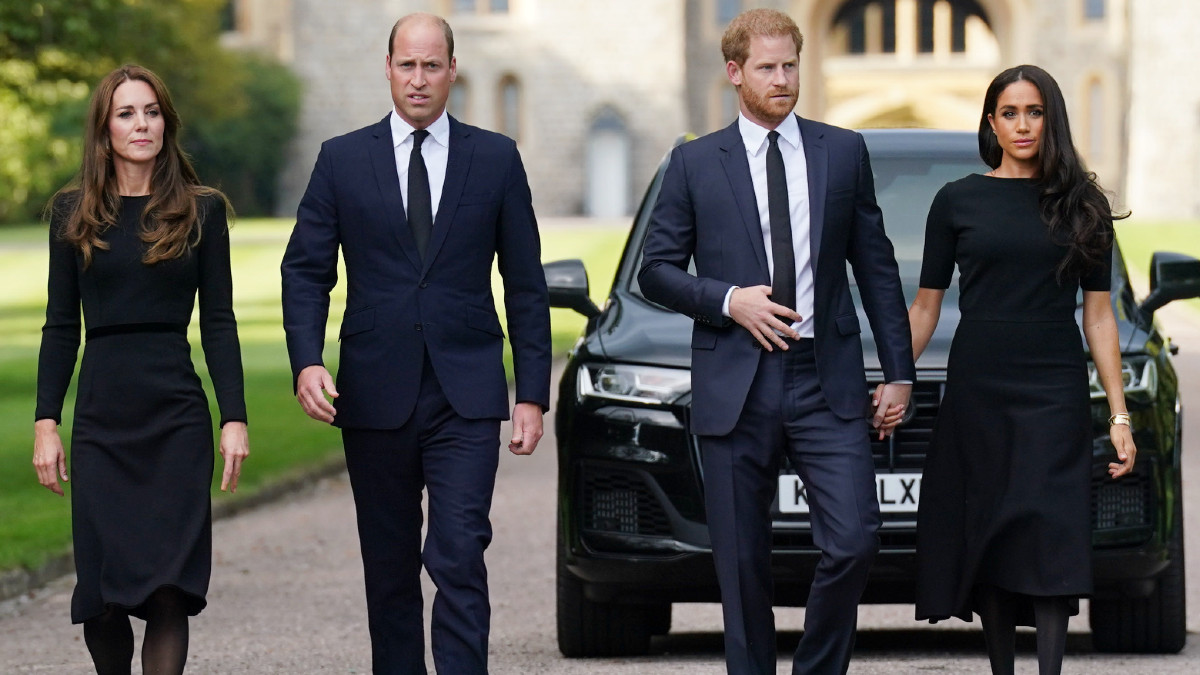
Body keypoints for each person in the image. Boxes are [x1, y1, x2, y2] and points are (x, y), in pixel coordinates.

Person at [638, 9, 914, 674]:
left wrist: (898, 370)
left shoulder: (841, 151)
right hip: (737, 379)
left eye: (790, 64)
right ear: (735, 73)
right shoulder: (694, 162)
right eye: (767, 67)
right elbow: (656, 270)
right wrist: (730, 301)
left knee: (854, 539)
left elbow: (875, 267)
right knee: (741, 568)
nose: (783, 78)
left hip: (826, 378)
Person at [280, 12, 551, 675]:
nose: (420, 78)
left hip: (466, 392)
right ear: (388, 68)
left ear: (453, 71)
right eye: (408, 64)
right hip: (374, 392)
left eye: (433, 65)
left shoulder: (495, 158)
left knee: (459, 552)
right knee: (390, 568)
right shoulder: (342, 159)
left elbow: (524, 283)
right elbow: (306, 270)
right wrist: (308, 360)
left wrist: (533, 394)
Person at [907, 65, 1136, 675]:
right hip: (979, 386)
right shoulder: (956, 200)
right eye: (1009, 113)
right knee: (993, 529)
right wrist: (893, 379)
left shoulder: (1082, 204)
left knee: (1051, 528)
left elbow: (1100, 317)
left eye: (1033, 112)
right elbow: (926, 306)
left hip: (1054, 386)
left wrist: (1118, 414)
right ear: (991, 124)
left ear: (1051, 119)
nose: (1022, 124)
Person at [32, 64, 249, 674]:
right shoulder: (71, 214)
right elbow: (59, 326)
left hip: (175, 419)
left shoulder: (201, 212)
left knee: (166, 593)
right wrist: (47, 422)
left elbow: (220, 323)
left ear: (166, 122)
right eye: (126, 113)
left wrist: (234, 417)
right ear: (104, 130)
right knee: (101, 599)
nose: (141, 124)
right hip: (103, 420)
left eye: (151, 111)